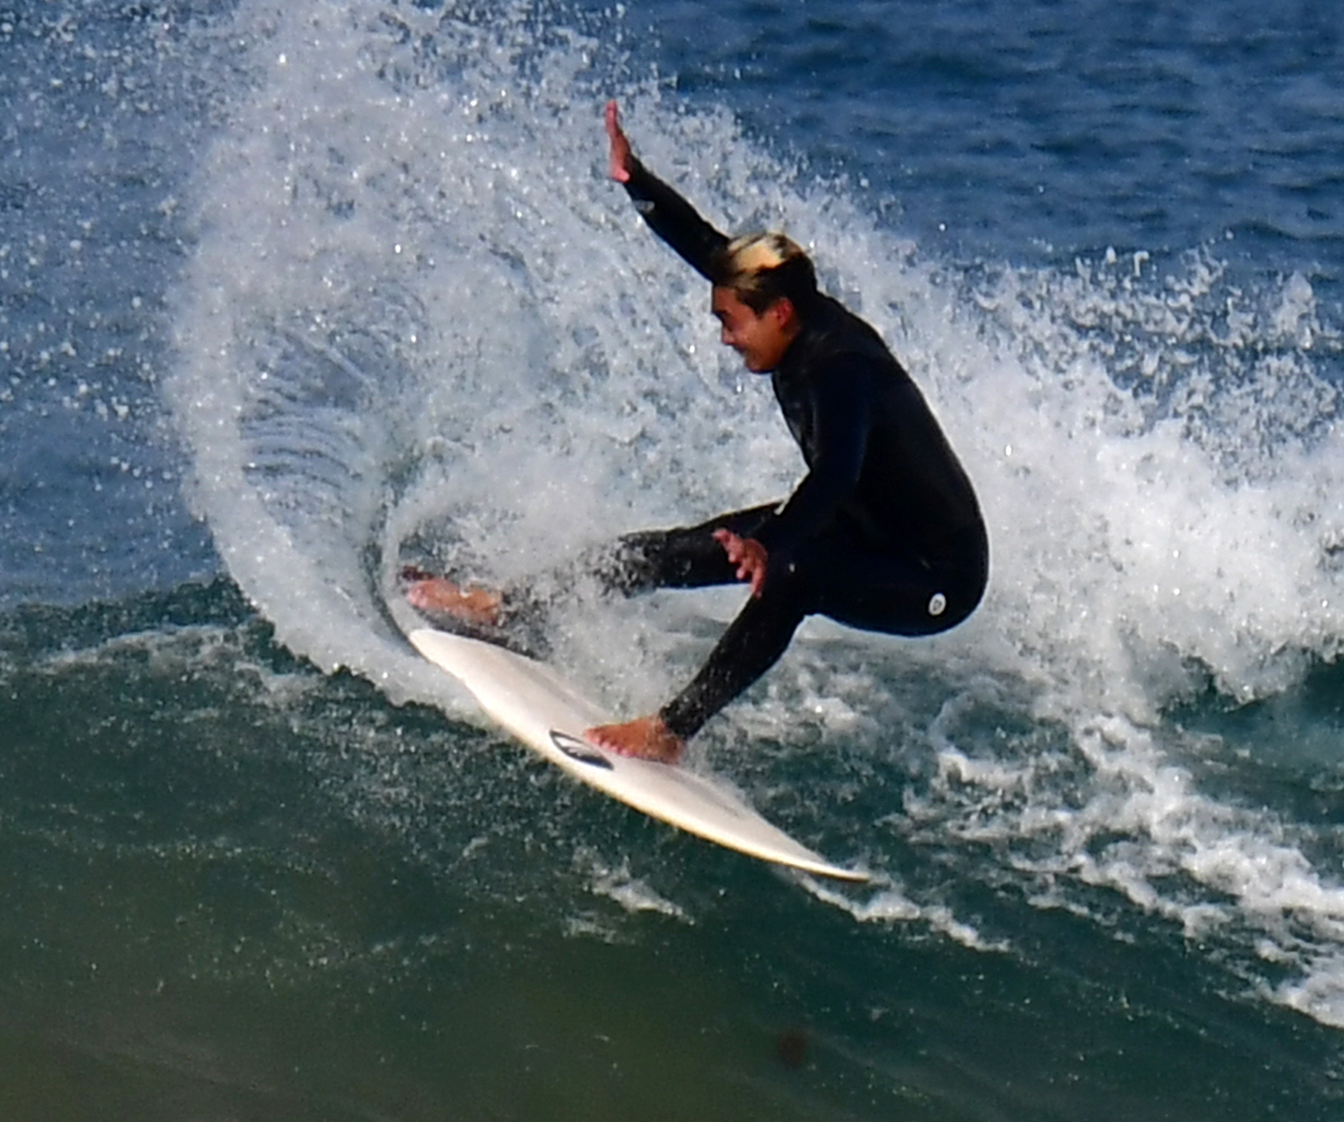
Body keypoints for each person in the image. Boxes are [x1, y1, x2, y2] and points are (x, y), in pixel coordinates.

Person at [406, 102, 988, 763]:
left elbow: (838, 473)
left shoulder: (840, 366)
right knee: (683, 548)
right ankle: (507, 607)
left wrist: (773, 546)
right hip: (863, 525)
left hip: (934, 575)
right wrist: (635, 179)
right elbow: (703, 244)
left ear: (782, 314)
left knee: (792, 577)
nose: (725, 336)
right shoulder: (778, 309)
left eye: (732, 322)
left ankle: (668, 733)